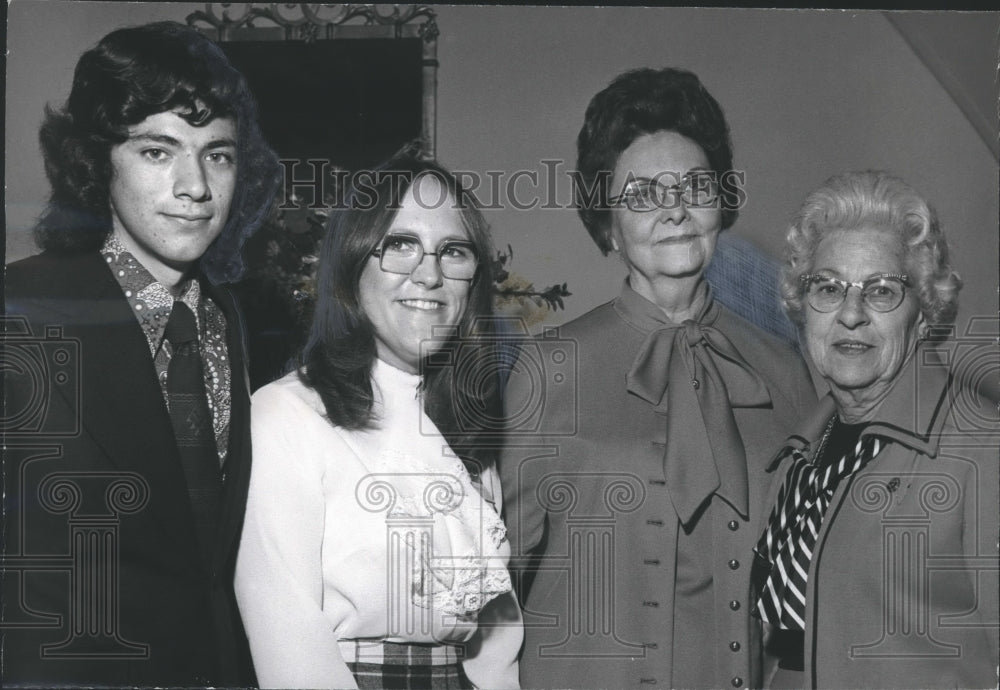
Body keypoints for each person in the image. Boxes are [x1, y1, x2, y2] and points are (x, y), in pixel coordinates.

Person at [498, 67, 817, 689]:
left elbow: (803, 588)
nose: (674, 209)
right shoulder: (546, 368)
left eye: (695, 186)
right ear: (607, 224)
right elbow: (491, 580)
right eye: (643, 193)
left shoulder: (785, 370)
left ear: (721, 202)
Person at [3, 21, 280, 687]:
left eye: (217, 154)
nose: (195, 187)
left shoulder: (231, 320)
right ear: (99, 163)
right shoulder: (21, 313)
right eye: (159, 152)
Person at [234, 153, 522, 689]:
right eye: (400, 245)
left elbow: (497, 651)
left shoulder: (467, 434)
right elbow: (288, 638)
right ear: (352, 265)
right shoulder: (287, 416)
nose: (430, 274)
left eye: (453, 251)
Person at [751, 171, 999, 688]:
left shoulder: (980, 450)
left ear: (925, 312)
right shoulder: (798, 455)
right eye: (828, 287)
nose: (850, 314)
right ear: (803, 307)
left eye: (882, 291)